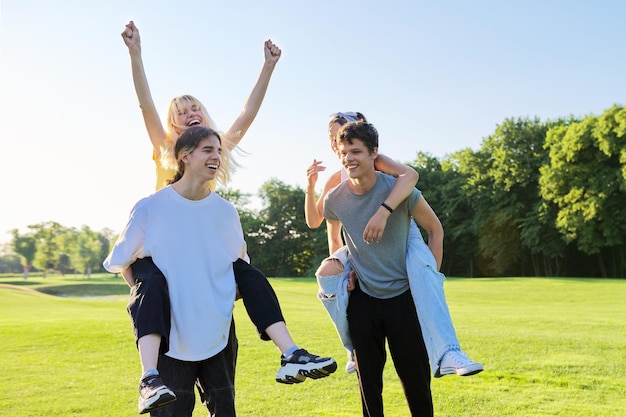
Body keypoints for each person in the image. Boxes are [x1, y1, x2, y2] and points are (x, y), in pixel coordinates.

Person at [120, 22, 336, 414]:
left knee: (248, 275)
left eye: (195, 108)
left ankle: (290, 352)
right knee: (150, 285)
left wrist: (267, 67)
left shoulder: (214, 148)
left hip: (202, 248)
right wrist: (136, 55)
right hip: (164, 247)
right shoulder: (168, 151)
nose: (190, 114)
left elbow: (247, 114)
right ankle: (149, 376)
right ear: (177, 138)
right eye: (181, 112)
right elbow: (145, 105)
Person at [306, 112, 483, 378]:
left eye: (340, 133)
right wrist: (310, 187)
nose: (335, 142)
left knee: (423, 272)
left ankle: (448, 352)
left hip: (399, 228)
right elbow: (317, 222)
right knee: (327, 273)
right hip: (359, 245)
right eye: (332, 138)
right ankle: (351, 347)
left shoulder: (378, 162)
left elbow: (410, 176)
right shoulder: (336, 181)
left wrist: (384, 210)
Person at [104, 128, 245, 416]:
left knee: (225, 412)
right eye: (208, 150)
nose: (216, 156)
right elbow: (121, 263)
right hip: (169, 340)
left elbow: (241, 270)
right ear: (185, 156)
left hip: (217, 335)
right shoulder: (150, 208)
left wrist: (218, 300)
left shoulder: (226, 211)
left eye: (219, 151)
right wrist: (150, 295)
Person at [323, 121, 443, 416]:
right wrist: (342, 271)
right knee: (369, 389)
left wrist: (430, 280)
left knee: (416, 384)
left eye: (356, 151)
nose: (348, 158)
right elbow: (334, 236)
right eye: (343, 152)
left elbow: (435, 230)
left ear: (373, 153)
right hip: (363, 300)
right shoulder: (334, 200)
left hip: (404, 299)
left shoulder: (399, 191)